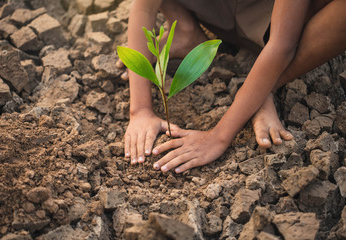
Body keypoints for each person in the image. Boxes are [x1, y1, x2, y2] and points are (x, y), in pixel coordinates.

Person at [116, 0, 346, 173]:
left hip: (288, 27)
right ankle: (185, 31)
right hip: (222, 14)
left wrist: (217, 137)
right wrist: (140, 110)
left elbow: (282, 44)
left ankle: (265, 85)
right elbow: (143, 6)